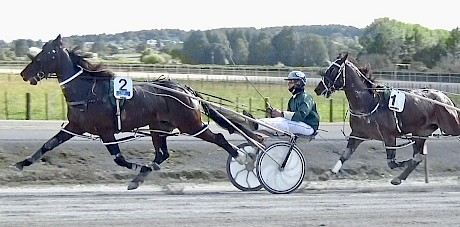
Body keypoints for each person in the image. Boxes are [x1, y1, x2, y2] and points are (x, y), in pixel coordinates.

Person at [250, 70, 320, 136]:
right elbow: (289, 117)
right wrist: (274, 115)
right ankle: (256, 123)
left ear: (298, 83)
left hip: (309, 127)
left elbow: (300, 116)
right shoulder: (292, 100)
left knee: (283, 122)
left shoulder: (307, 98)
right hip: (299, 125)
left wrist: (281, 114)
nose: (288, 84)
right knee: (282, 121)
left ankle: (257, 123)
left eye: (291, 82)